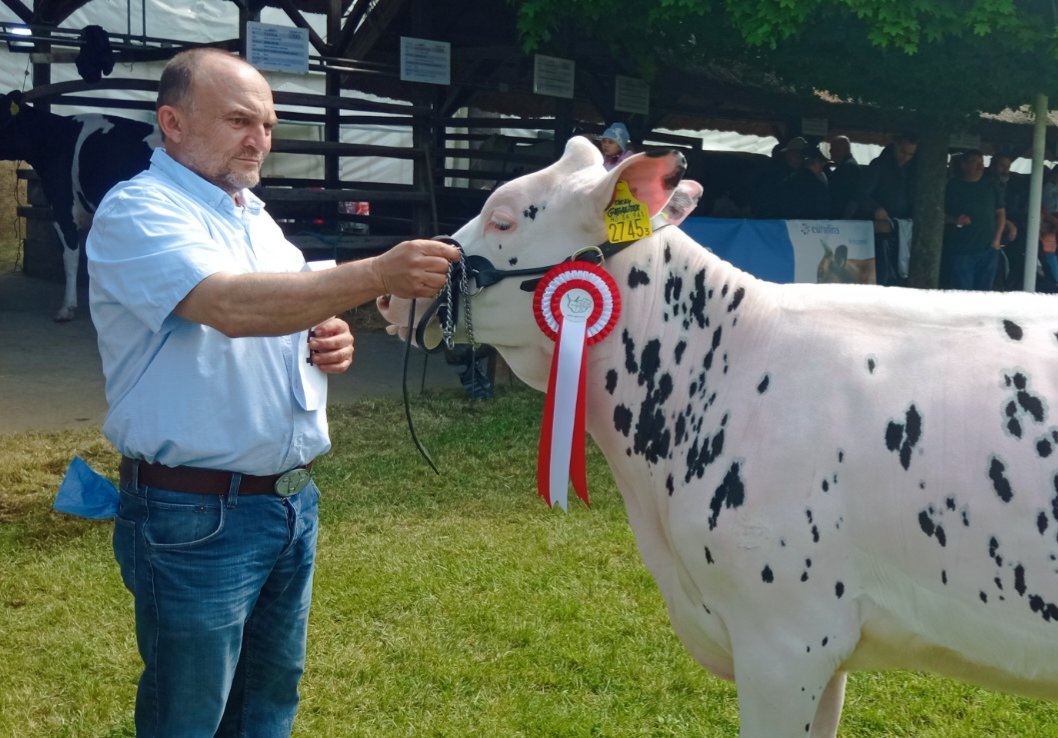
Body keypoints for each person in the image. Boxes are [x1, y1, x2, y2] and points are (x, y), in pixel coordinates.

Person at [85, 48, 460, 737]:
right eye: (238, 120)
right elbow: (227, 305)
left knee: (266, 708)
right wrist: (374, 270)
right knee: (188, 717)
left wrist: (325, 343)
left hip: (286, 506)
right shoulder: (139, 210)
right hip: (193, 513)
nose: (259, 140)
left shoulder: (253, 219)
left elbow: (284, 312)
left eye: (267, 124)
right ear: (171, 121)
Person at [858, 132, 918, 285]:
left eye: (910, 154)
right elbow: (861, 194)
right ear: (895, 146)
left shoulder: (914, 169)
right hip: (882, 226)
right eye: (903, 152)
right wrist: (875, 208)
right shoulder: (878, 165)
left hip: (905, 226)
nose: (905, 157)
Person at [940, 149, 1006, 290]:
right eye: (975, 163)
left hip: (988, 249)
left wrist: (997, 240)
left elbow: (1000, 213)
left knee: (984, 293)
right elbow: (938, 216)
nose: (980, 166)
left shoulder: (990, 185)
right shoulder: (952, 187)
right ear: (964, 165)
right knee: (963, 293)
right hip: (962, 251)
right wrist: (955, 220)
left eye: (981, 163)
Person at [750, 135, 808, 219]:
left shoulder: (806, 176)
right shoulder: (772, 174)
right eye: (795, 152)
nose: (799, 156)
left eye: (802, 154)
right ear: (787, 154)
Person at [779, 144, 831, 219]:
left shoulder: (789, 180)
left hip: (791, 226)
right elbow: (824, 210)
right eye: (821, 163)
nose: (822, 167)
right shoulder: (818, 185)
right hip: (814, 227)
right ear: (815, 162)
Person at [826, 135, 860, 219]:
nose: (830, 151)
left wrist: (844, 219)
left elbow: (850, 197)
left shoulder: (849, 168)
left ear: (844, 150)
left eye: (834, 148)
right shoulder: (844, 167)